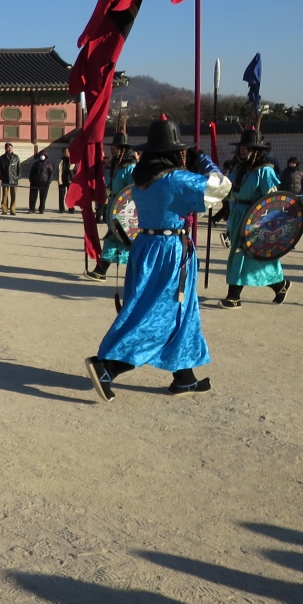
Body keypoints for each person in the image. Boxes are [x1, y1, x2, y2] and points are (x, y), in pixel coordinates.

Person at [84, 117, 232, 403]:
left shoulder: (141, 181)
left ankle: (184, 377)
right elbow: (221, 187)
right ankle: (109, 367)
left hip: (146, 246)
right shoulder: (175, 179)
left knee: (177, 311)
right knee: (161, 314)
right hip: (169, 251)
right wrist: (203, 161)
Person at [221, 128, 291, 307]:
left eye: (246, 148)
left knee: (242, 253)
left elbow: (271, 199)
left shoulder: (265, 171)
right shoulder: (238, 169)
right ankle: (280, 284)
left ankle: (233, 297)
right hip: (238, 214)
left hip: (255, 217)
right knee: (249, 257)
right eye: (241, 148)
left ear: (256, 151)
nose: (242, 151)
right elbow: (229, 191)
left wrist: (264, 220)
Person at [86, 133, 137, 282]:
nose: (113, 150)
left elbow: (132, 191)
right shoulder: (114, 166)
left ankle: (101, 270)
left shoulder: (131, 168)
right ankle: (102, 270)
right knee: (115, 237)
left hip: (124, 209)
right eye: (113, 147)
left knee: (118, 238)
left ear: (124, 149)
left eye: (116, 147)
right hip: (112, 204)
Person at [0, 142, 20, 215]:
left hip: (14, 178)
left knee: (13, 195)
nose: (10, 149)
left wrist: (18, 176)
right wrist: (1, 177)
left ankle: (13, 210)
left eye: (11, 147)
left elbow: (19, 167)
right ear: (5, 149)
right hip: (5, 178)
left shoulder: (16, 157)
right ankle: (4, 209)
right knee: (5, 196)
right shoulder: (1, 158)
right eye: (8, 147)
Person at [58, 147, 76, 213]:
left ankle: (71, 208)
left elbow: (76, 171)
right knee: (61, 195)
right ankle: (61, 209)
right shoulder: (60, 161)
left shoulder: (73, 161)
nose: (67, 153)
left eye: (68, 152)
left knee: (70, 195)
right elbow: (56, 171)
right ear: (63, 153)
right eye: (65, 152)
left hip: (70, 180)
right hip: (62, 180)